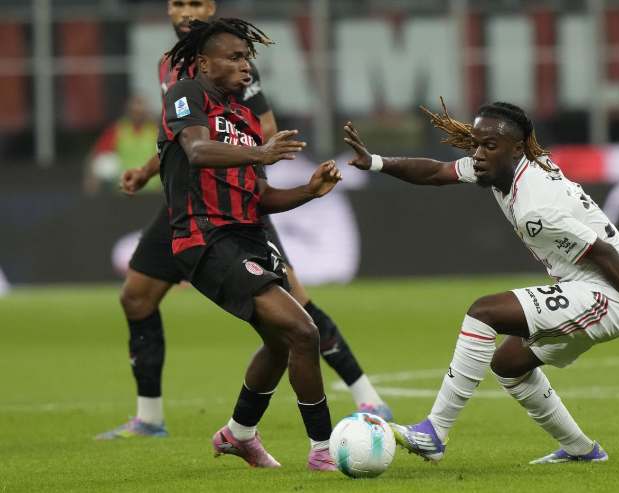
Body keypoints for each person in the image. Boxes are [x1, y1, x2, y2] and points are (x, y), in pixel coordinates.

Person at [96, 0, 390, 443]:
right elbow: (182, 137)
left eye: (196, 3)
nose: (187, 12)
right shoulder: (172, 71)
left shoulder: (233, 66)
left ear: (211, 7)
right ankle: (150, 417)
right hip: (188, 203)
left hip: (237, 200)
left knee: (296, 309)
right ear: (169, 11)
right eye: (179, 3)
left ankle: (365, 393)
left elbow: (260, 129)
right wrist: (148, 170)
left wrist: (259, 162)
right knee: (136, 298)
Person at [342, 101, 619, 464]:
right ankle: (581, 451)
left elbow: (605, 255)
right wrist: (376, 162)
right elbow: (435, 172)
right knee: (509, 364)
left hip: (607, 296)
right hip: (583, 286)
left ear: (516, 148)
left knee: (484, 313)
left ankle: (434, 432)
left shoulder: (535, 208)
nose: (478, 154)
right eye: (476, 144)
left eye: (489, 145)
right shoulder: (502, 167)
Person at [161, 17, 341, 470]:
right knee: (304, 331)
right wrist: (261, 152)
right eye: (235, 57)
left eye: (248, 59)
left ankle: (238, 434)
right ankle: (323, 449)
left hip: (249, 236)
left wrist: (309, 191)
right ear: (204, 63)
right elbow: (197, 151)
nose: (246, 66)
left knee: (280, 343)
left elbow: (260, 196)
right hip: (205, 235)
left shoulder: (244, 117)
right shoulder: (186, 94)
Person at [83, 95, 158, 195]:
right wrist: (91, 179)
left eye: (140, 111)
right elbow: (96, 155)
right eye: (134, 111)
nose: (137, 114)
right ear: (128, 111)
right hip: (125, 189)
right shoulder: (118, 130)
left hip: (152, 191)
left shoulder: (155, 131)